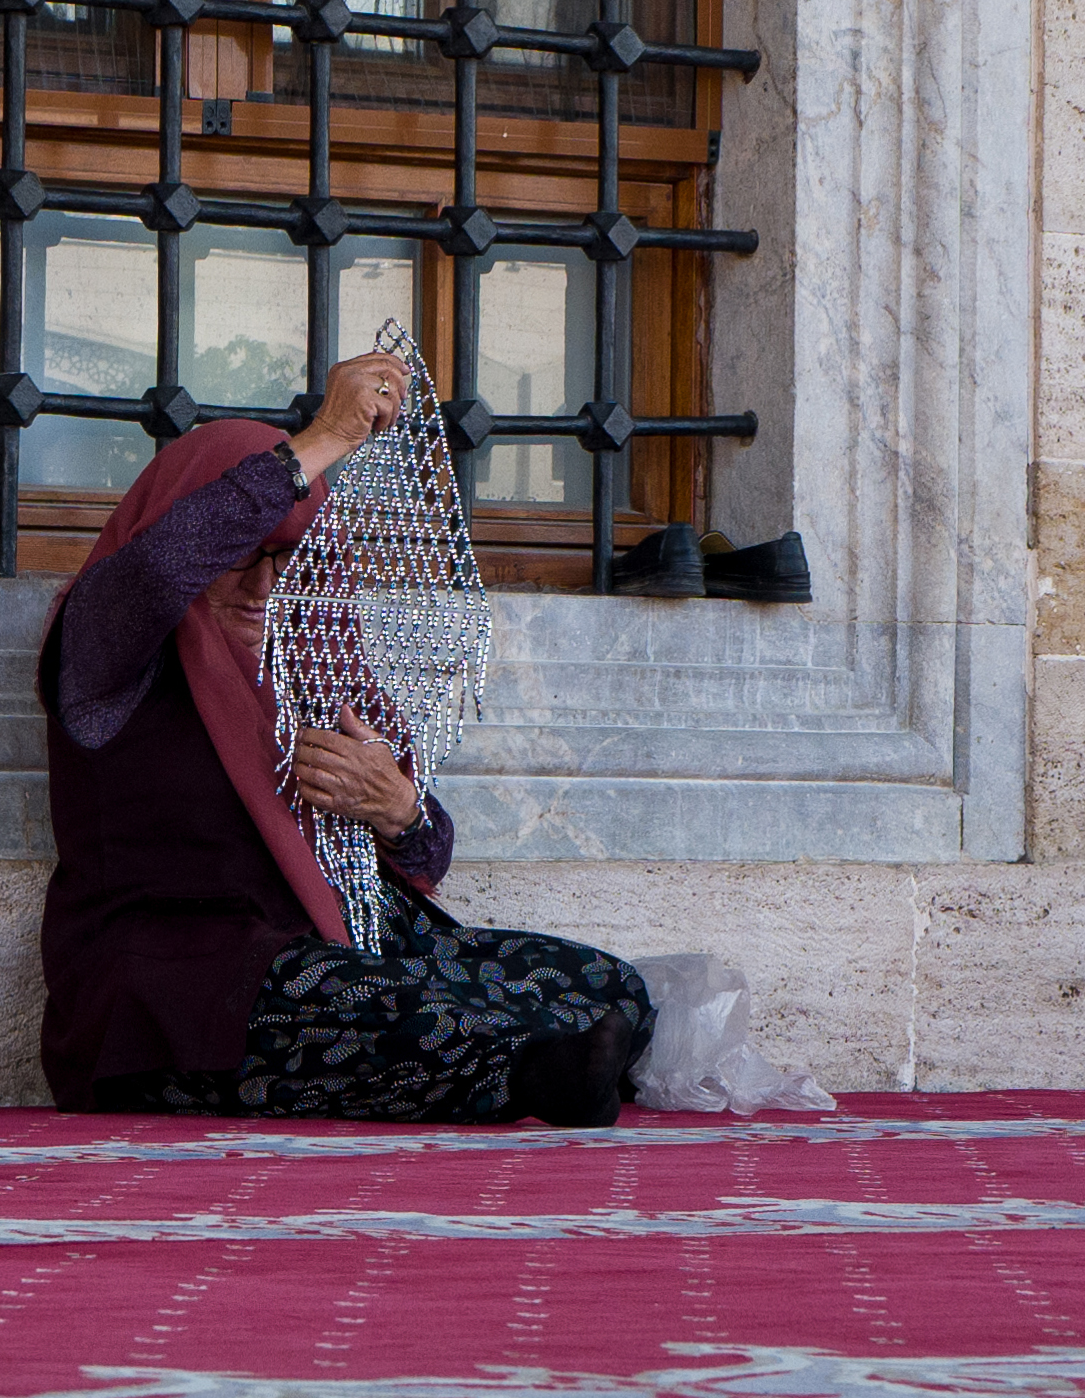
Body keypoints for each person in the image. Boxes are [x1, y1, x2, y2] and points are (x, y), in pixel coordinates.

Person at [37, 350, 655, 1125]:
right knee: (389, 1011)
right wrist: (327, 436)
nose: (266, 585)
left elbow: (426, 856)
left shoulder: (307, 653)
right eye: (240, 559)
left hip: (341, 944)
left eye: (290, 559)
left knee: (608, 986)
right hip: (180, 980)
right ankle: (531, 1071)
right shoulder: (110, 641)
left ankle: (532, 1062)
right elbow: (163, 568)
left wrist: (397, 808)